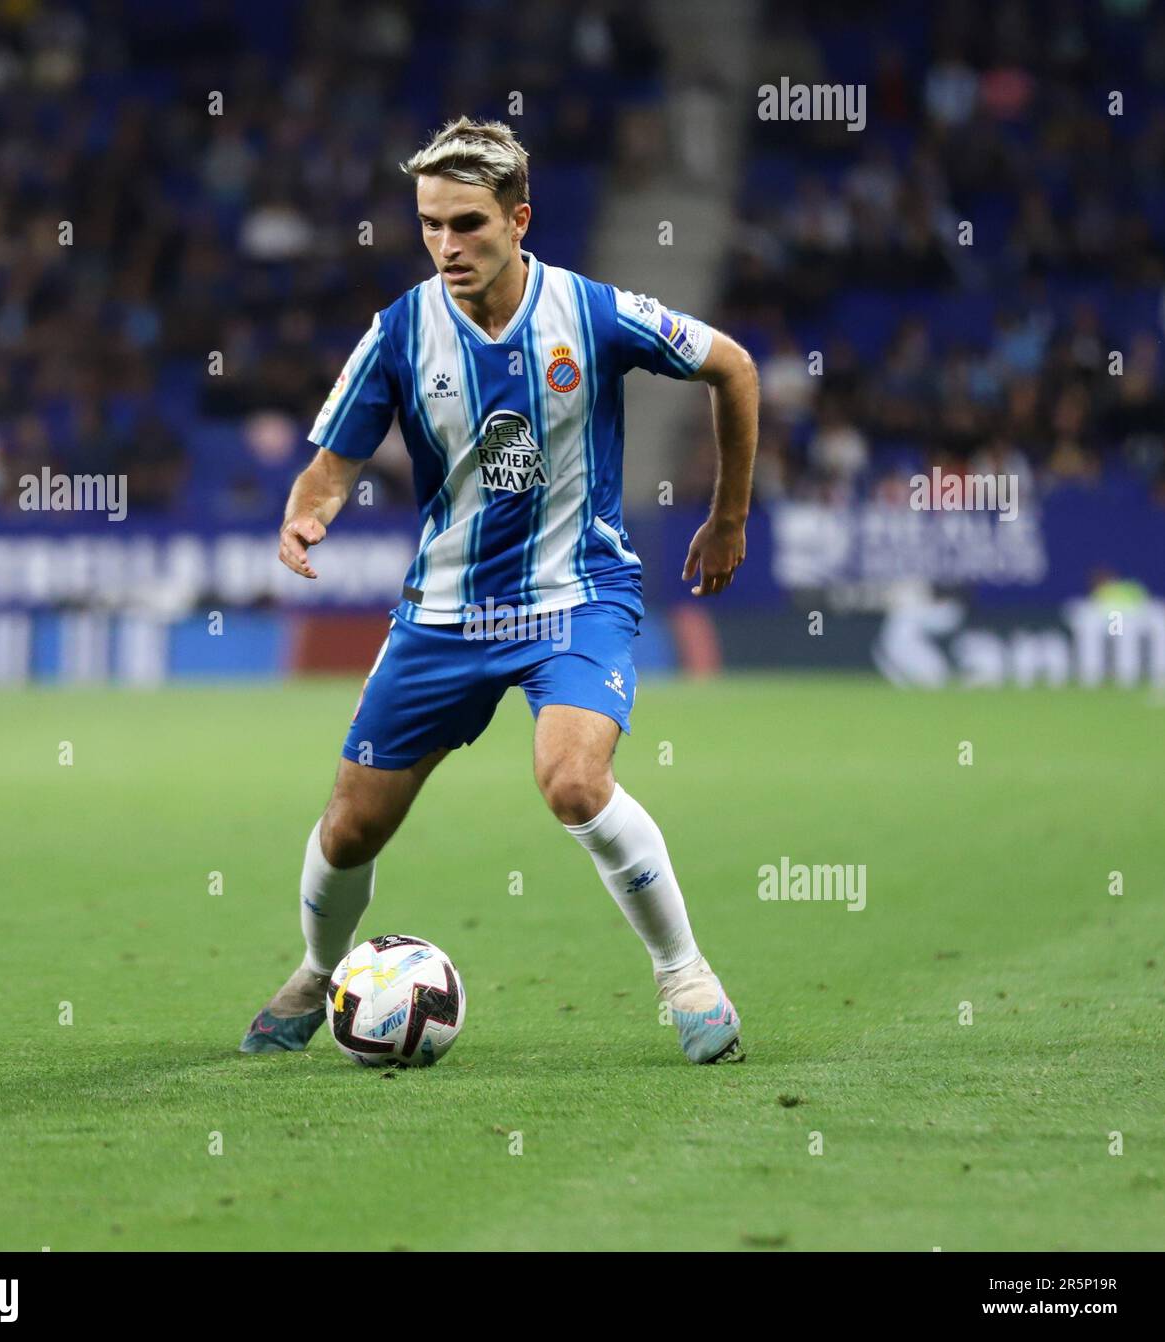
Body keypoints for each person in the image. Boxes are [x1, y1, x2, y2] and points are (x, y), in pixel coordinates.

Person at [240, 116, 759, 1063]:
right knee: (352, 826)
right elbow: (331, 465)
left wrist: (727, 517)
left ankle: (683, 971)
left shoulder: (593, 314)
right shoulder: (401, 331)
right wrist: (308, 512)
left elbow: (733, 365)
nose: (446, 245)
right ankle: (319, 970)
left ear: (520, 219)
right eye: (430, 224)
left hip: (576, 594)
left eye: (468, 224)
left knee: (573, 781)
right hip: (445, 613)